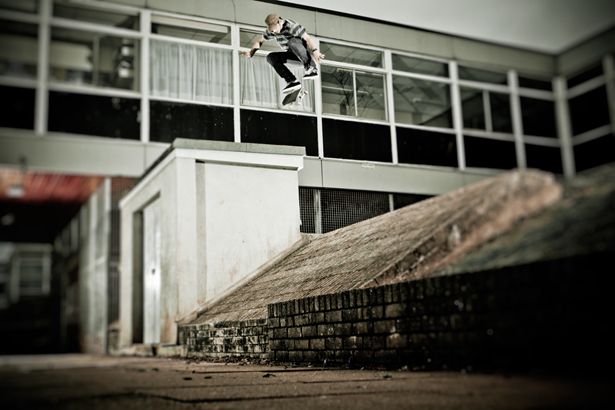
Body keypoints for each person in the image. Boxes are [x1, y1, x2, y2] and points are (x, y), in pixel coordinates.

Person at [241, 13, 325, 94]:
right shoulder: (271, 32)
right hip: (294, 57)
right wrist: (251, 52)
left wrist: (316, 52)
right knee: (271, 57)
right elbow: (259, 41)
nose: (275, 31)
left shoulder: (292, 26)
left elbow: (308, 38)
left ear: (280, 21)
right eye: (272, 30)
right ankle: (292, 81)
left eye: (275, 28)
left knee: (292, 41)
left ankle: (311, 69)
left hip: (305, 53)